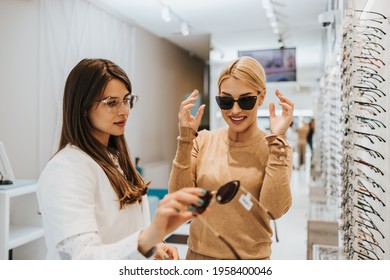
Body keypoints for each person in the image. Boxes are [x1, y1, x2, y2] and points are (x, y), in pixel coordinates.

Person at [37, 58, 207, 260]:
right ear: (83, 108)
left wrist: (155, 246)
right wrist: (146, 241)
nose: (124, 110)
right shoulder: (66, 170)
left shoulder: (116, 160)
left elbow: (127, 230)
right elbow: (81, 258)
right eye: (111, 103)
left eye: (127, 100)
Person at [169, 56, 294, 260]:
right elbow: (180, 202)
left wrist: (278, 139)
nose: (235, 111)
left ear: (261, 97)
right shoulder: (203, 140)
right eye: (226, 101)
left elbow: (275, 210)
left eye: (246, 100)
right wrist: (185, 139)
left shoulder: (274, 148)